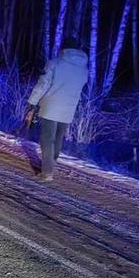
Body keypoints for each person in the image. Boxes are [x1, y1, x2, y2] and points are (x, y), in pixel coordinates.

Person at [25, 37, 89, 181]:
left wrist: (32, 101)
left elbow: (43, 84)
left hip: (51, 105)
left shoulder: (55, 63)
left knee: (47, 138)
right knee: (58, 137)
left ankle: (47, 172)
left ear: (64, 49)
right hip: (69, 108)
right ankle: (51, 162)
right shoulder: (84, 70)